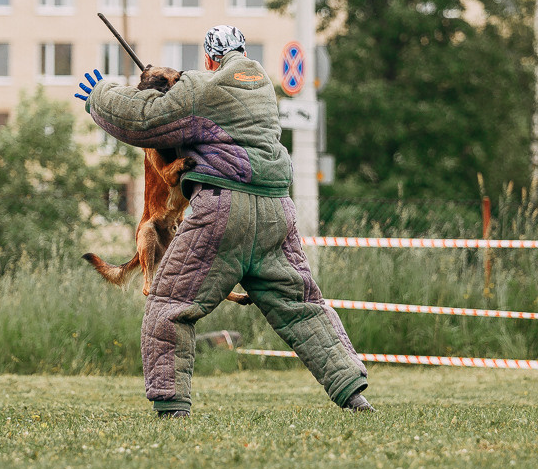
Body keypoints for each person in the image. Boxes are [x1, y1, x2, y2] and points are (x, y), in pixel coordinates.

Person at [74, 25, 372, 418]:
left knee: (170, 304)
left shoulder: (203, 86)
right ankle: (353, 393)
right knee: (302, 305)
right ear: (243, 52)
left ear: (209, 58)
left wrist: (101, 97)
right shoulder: (263, 86)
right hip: (275, 211)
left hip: (223, 209)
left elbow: (145, 120)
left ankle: (171, 405)